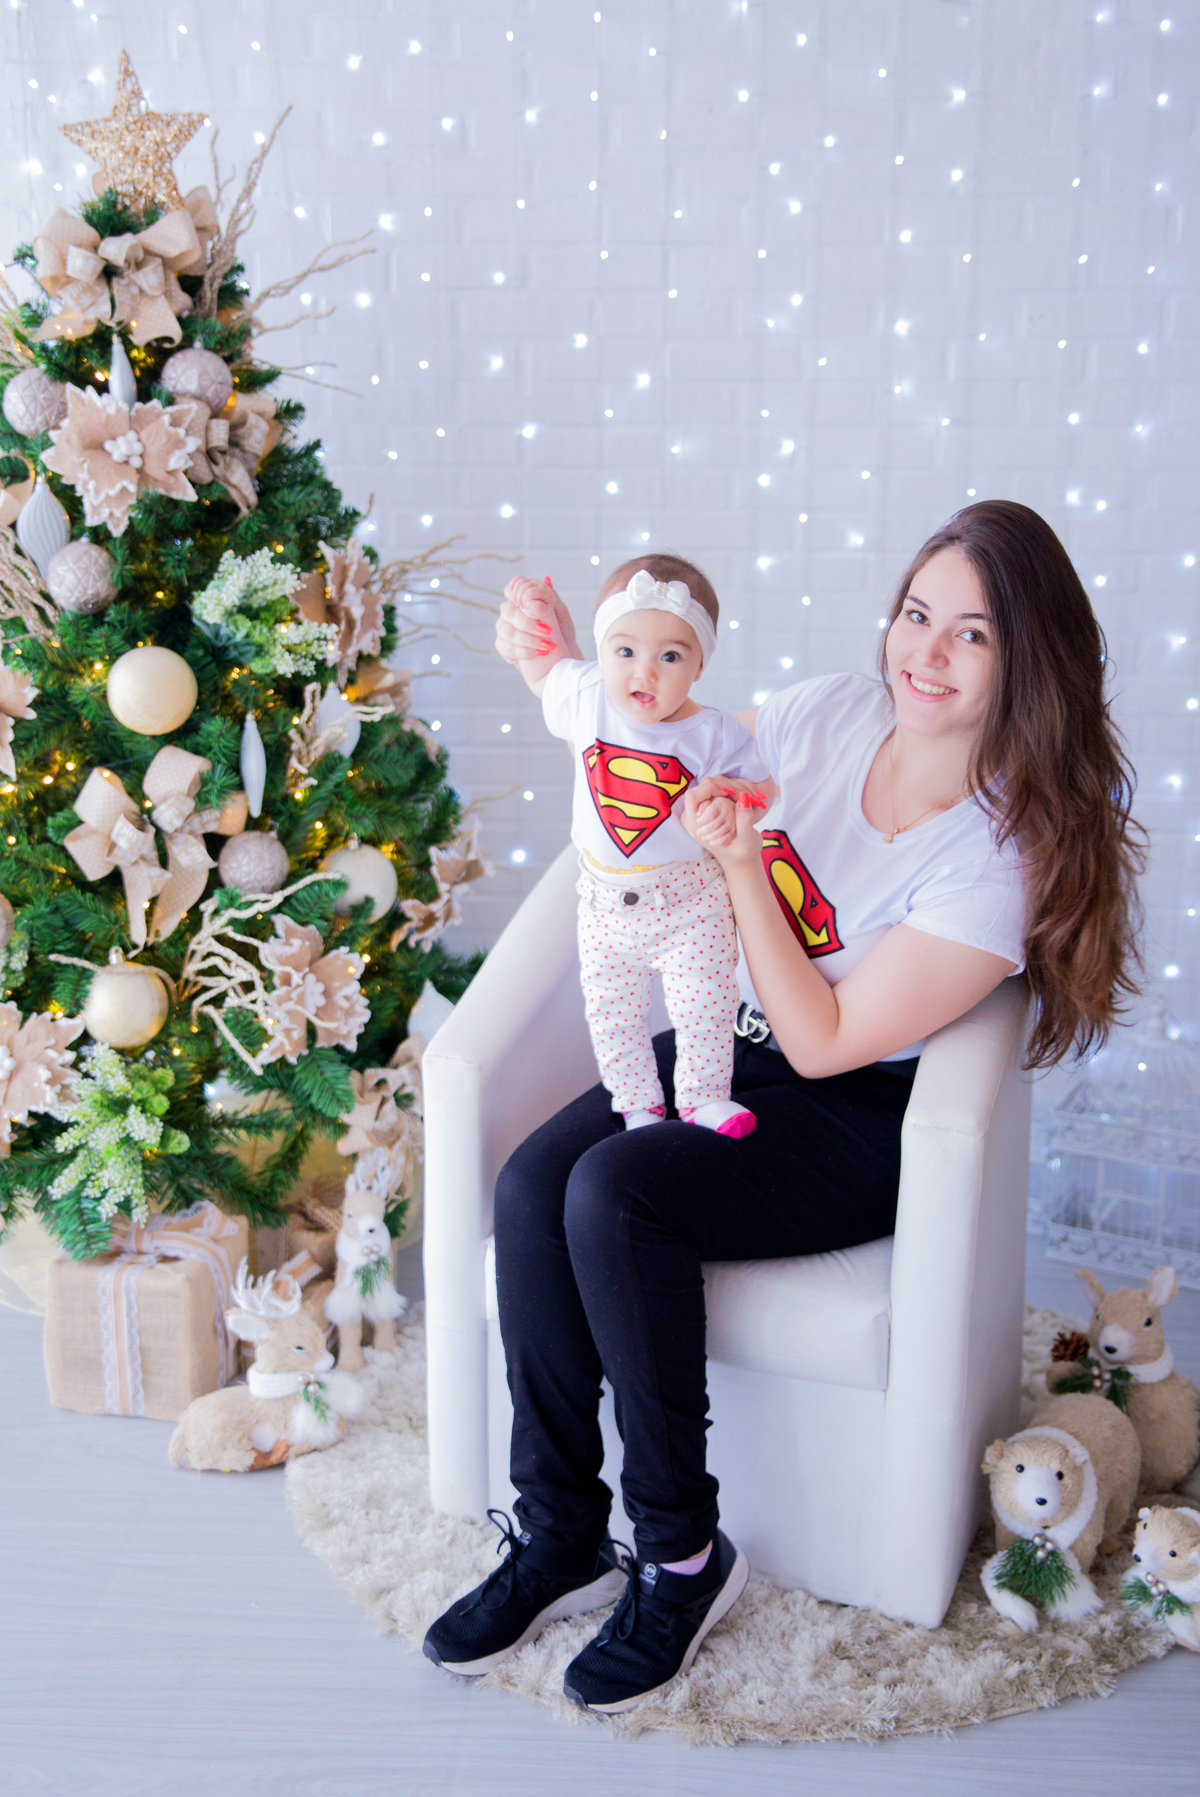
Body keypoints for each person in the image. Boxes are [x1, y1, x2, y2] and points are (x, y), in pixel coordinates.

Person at [422, 501, 1145, 1715]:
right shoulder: (826, 712)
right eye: (918, 613)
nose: (925, 652)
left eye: (970, 634)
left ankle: (682, 1555)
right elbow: (661, 742)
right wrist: (553, 664)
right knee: (532, 1182)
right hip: (725, 1042)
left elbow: (822, 1043)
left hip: (854, 1111)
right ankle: (553, 1530)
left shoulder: (996, 854)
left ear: (1029, 661)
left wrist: (745, 864)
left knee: (615, 1191)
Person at [505, 554, 770, 1138]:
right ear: (602, 651)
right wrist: (537, 610)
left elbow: (761, 785)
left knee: (704, 1005)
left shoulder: (715, 732)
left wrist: (732, 798)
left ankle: (703, 1098)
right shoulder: (587, 696)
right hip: (603, 901)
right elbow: (543, 664)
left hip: (690, 903)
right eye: (625, 652)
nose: (643, 673)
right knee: (611, 1013)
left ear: (700, 664)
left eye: (669, 656)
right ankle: (638, 1106)